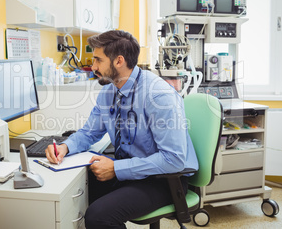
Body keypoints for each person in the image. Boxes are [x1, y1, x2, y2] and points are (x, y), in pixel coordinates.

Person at [45, 30, 198, 229]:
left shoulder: (159, 96)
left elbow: (174, 160)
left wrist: (116, 169)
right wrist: (65, 147)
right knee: (72, 190)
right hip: (131, 169)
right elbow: (89, 132)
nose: (93, 67)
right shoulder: (109, 91)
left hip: (163, 179)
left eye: (98, 60)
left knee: (99, 217)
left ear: (119, 61)